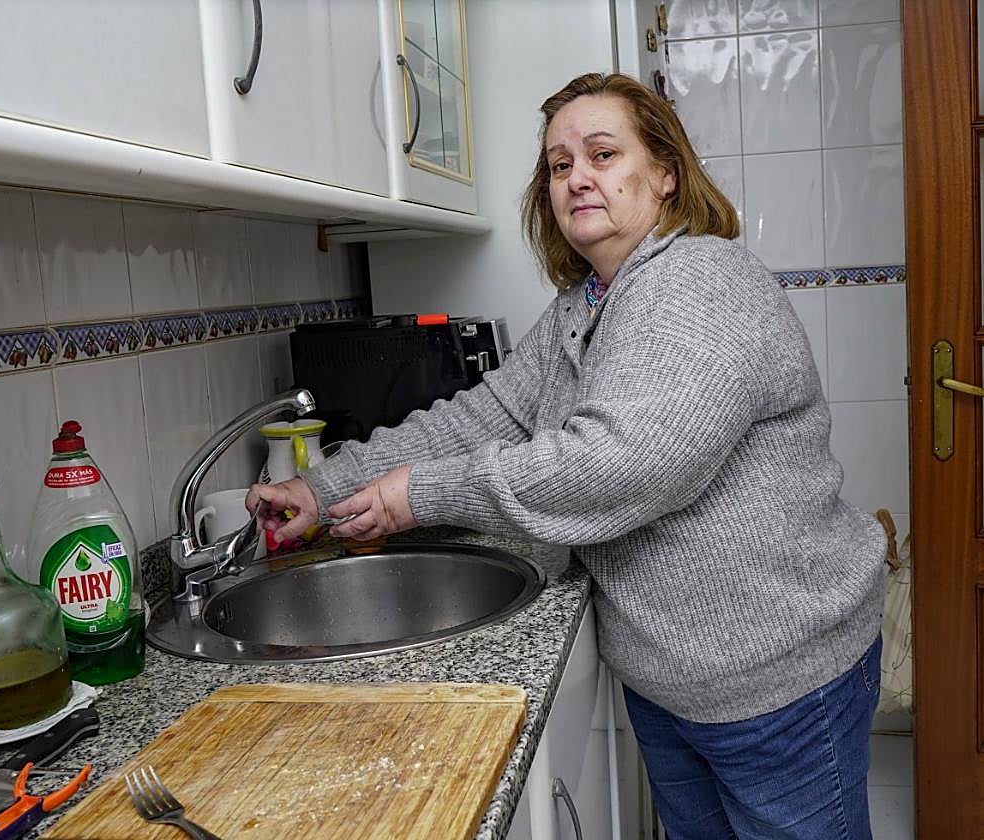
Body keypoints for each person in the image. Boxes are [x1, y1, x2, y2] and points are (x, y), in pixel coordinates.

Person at [247, 72, 888, 840]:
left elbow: (624, 463)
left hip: (779, 684)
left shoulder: (702, 280)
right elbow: (486, 416)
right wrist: (325, 487)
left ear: (665, 173)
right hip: (672, 684)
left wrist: (418, 495)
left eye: (603, 153)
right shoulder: (585, 308)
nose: (577, 176)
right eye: (559, 164)